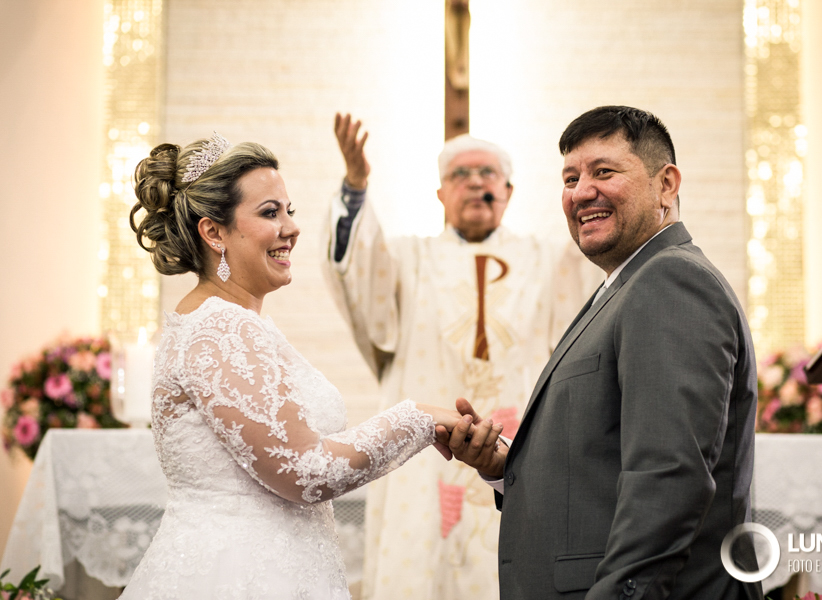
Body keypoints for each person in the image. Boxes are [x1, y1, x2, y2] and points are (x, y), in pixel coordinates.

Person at [120, 133, 463, 600]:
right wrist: (419, 418)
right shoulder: (220, 328)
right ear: (214, 232)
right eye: (270, 213)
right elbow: (306, 469)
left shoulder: (237, 323)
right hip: (237, 577)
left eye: (289, 210)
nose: (292, 228)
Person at [441, 106, 762, 600]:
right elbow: (603, 465)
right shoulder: (621, 289)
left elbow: (668, 476)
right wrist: (506, 469)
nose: (581, 192)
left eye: (604, 172)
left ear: (667, 185)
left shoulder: (671, 280)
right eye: (570, 178)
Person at [322, 114, 592, 600]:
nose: (474, 182)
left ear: (508, 191)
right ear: (441, 194)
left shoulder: (552, 260)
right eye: (459, 175)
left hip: (518, 450)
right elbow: (353, 269)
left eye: (487, 173)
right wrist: (356, 186)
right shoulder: (406, 259)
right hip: (425, 460)